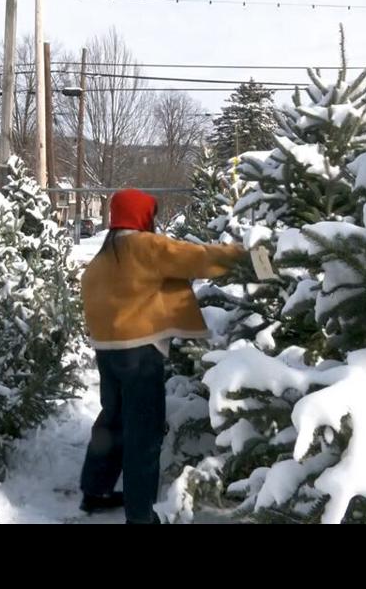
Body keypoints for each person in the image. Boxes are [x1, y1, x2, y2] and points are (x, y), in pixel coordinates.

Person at [78, 188, 246, 524]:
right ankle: (140, 515)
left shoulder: (105, 253)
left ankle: (95, 491)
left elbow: (88, 288)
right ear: (141, 215)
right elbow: (197, 257)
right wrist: (248, 255)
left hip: (107, 352)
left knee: (112, 421)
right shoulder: (146, 246)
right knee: (144, 432)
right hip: (140, 353)